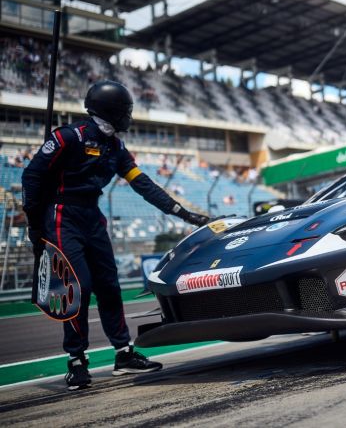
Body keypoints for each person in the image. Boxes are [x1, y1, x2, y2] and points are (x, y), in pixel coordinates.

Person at [22, 80, 210, 390]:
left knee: (109, 286)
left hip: (92, 217)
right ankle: (77, 362)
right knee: (76, 288)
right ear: (111, 111)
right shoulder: (69, 138)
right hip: (61, 215)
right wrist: (34, 224)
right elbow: (32, 177)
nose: (129, 116)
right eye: (126, 111)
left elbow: (143, 184)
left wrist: (184, 213)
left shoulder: (115, 147)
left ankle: (123, 355)